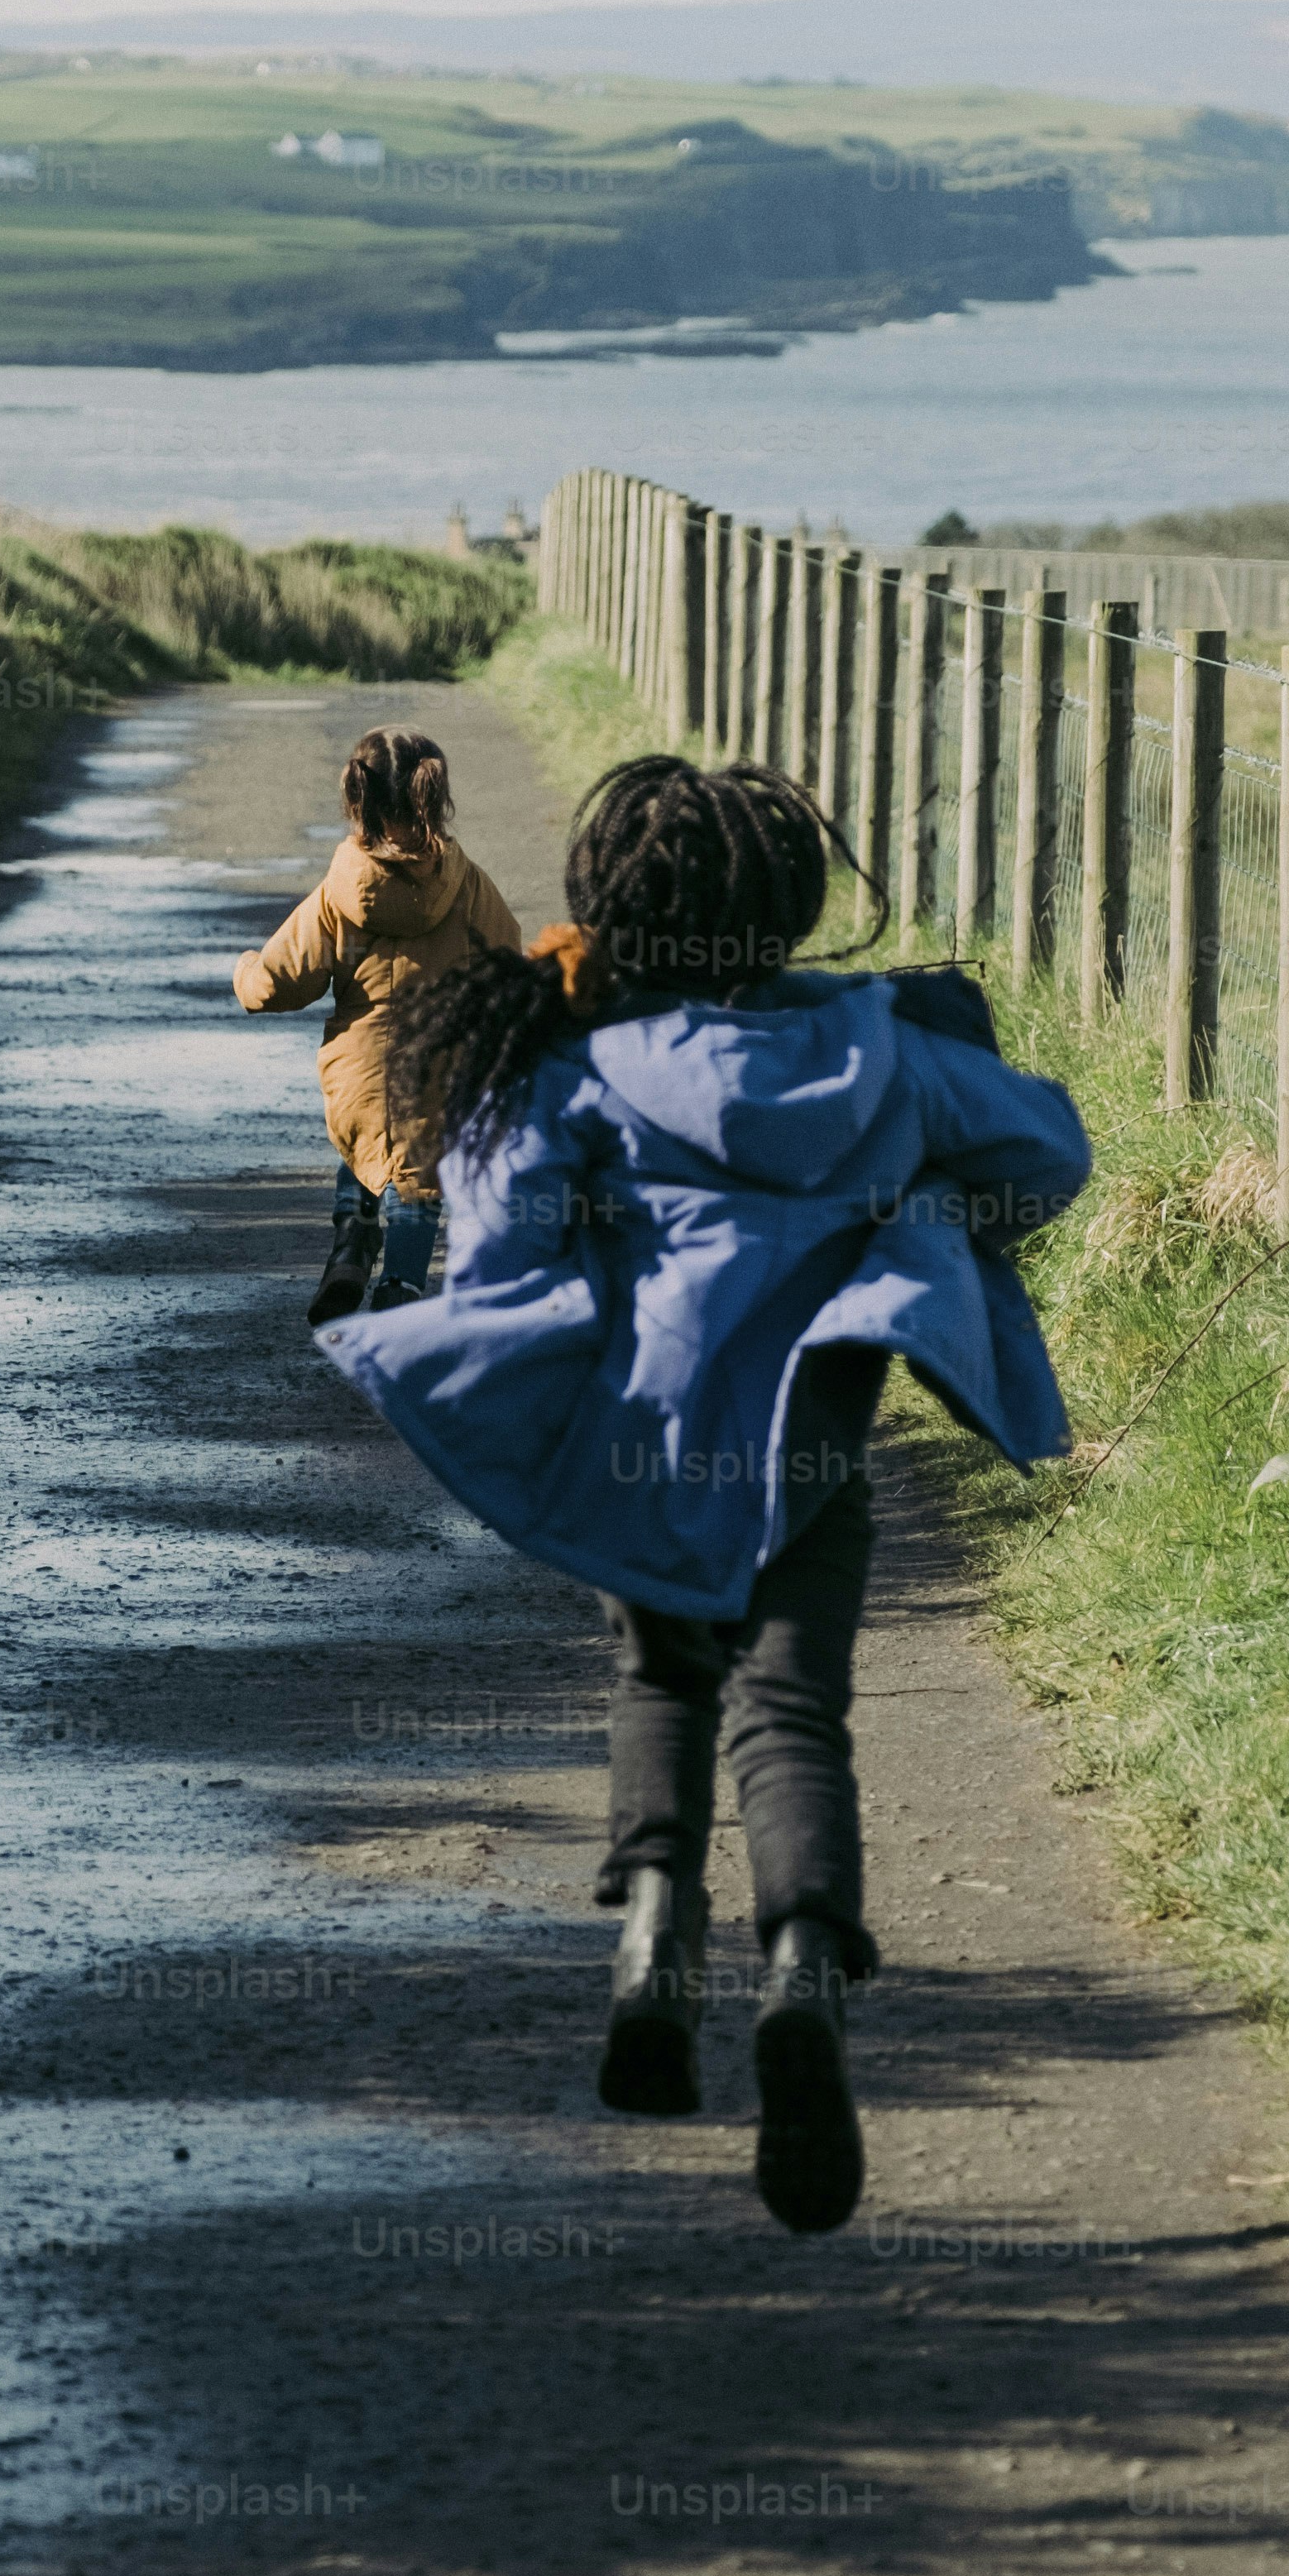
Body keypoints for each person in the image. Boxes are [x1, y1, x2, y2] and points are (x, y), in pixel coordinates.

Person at [324, 754, 1087, 2234]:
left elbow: (497, 1244)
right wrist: (924, 1208)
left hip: (641, 1438)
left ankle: (656, 1948)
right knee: (795, 1712)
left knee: (661, 1677)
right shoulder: (882, 1054)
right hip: (814, 1444)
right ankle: (804, 1974)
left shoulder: (576, 1063)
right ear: (788, 914)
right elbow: (1046, 1156)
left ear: (610, 908)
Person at [232, 725, 525, 1324]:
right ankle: (401, 1290)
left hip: (359, 1070)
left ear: (357, 798)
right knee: (418, 1177)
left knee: (368, 1140)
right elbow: (509, 970)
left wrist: (246, 973)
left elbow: (281, 980)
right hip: (440, 1069)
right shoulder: (468, 887)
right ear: (433, 795)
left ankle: (350, 1247)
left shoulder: (338, 893)